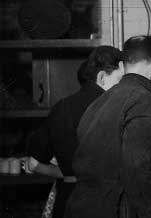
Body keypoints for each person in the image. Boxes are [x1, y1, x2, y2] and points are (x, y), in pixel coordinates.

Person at [67, 35, 151, 218]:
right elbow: (137, 166)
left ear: (124, 65)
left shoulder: (101, 100)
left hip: (82, 206)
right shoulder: (143, 98)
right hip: (115, 209)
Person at [23, 46, 125, 218]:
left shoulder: (61, 108)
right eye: (120, 80)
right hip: (107, 203)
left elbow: (33, 163)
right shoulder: (116, 108)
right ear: (101, 77)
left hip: (68, 201)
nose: (123, 87)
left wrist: (68, 172)